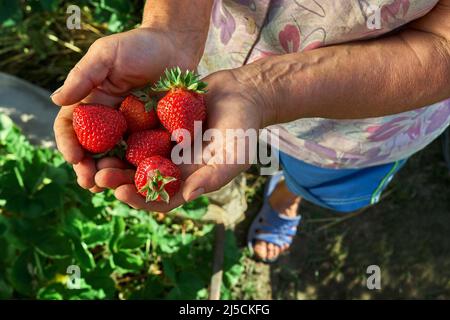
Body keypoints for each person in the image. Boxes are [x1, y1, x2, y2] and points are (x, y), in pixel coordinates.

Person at [53, 0, 450, 263]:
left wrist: (267, 90)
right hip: (208, 66)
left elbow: (443, 45)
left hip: (360, 121)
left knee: (325, 182)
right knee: (241, 144)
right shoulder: (181, 92)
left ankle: (287, 199)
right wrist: (170, 30)